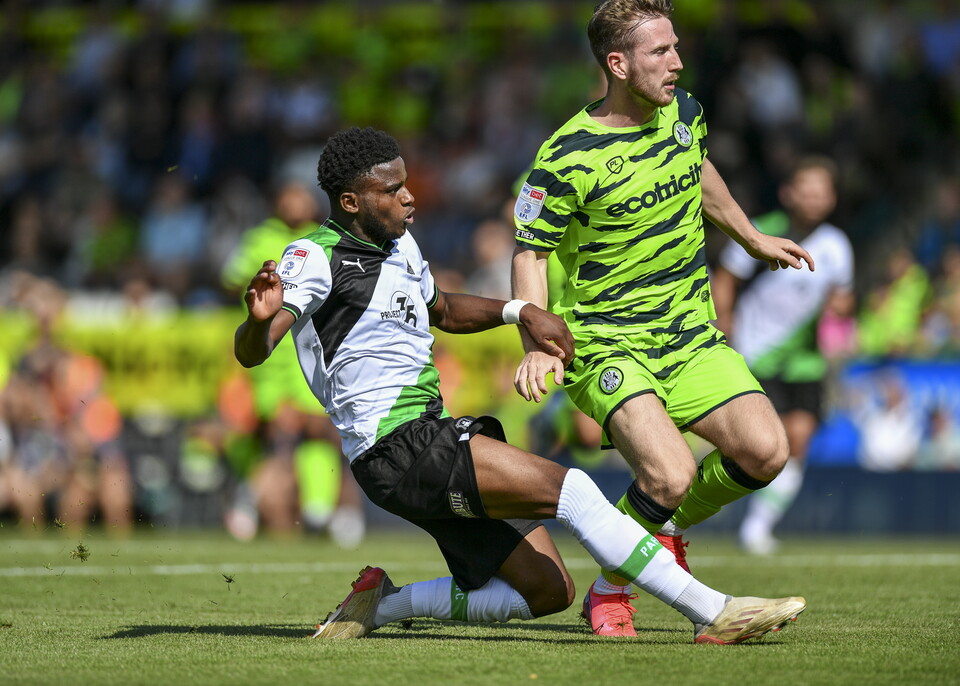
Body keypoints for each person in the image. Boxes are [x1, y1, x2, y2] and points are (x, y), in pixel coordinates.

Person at [234, 126, 805, 643]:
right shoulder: (313, 257)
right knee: (574, 490)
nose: (409, 196)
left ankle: (381, 605)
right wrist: (258, 325)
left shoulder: (400, 245)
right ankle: (716, 611)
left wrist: (519, 312)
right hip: (398, 446)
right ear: (352, 201)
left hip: (421, 440)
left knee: (548, 593)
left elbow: (445, 310)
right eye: (391, 190)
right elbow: (255, 351)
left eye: (407, 183)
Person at [511, 0, 814, 637]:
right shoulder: (565, 156)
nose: (677, 62)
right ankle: (615, 584)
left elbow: (698, 171)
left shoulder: (685, 114)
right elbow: (530, 251)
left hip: (689, 335)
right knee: (670, 472)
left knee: (766, 451)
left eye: (676, 47)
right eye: (660, 52)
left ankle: (648, 541)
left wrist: (751, 236)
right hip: (606, 341)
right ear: (616, 64)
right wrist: (536, 340)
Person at [712, 156, 855, 555]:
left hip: (805, 360)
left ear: (831, 199)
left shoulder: (836, 245)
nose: (813, 199)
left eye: (821, 193)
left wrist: (841, 312)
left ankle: (758, 526)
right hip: (756, 355)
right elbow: (726, 277)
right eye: (805, 191)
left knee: (800, 439)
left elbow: (840, 298)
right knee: (760, 444)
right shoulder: (761, 231)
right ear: (788, 193)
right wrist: (724, 321)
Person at [222, 181, 365, 545]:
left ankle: (323, 508)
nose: (294, 202)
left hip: (311, 351)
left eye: (301, 196)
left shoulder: (323, 238)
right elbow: (232, 281)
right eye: (287, 195)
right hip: (271, 359)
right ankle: (253, 501)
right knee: (277, 434)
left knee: (319, 431)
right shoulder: (259, 238)